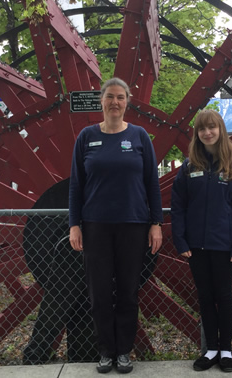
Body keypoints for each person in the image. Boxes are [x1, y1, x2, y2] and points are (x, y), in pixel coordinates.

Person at [69, 77, 163, 374]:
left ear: (127, 102)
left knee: (127, 291)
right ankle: (106, 352)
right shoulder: (86, 137)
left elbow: (152, 183)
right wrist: (74, 224)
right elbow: (76, 186)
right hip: (96, 225)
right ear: (102, 100)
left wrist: (156, 223)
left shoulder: (139, 136)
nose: (115, 102)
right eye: (110, 97)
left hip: (133, 225)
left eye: (120, 97)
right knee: (98, 293)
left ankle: (124, 351)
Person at [171, 109, 232, 373]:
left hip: (223, 246)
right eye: (202, 129)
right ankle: (211, 350)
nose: (207, 132)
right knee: (205, 297)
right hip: (196, 246)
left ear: (220, 130)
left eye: (212, 127)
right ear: (197, 134)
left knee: (224, 296)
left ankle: (226, 349)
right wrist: (181, 242)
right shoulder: (188, 167)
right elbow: (178, 206)